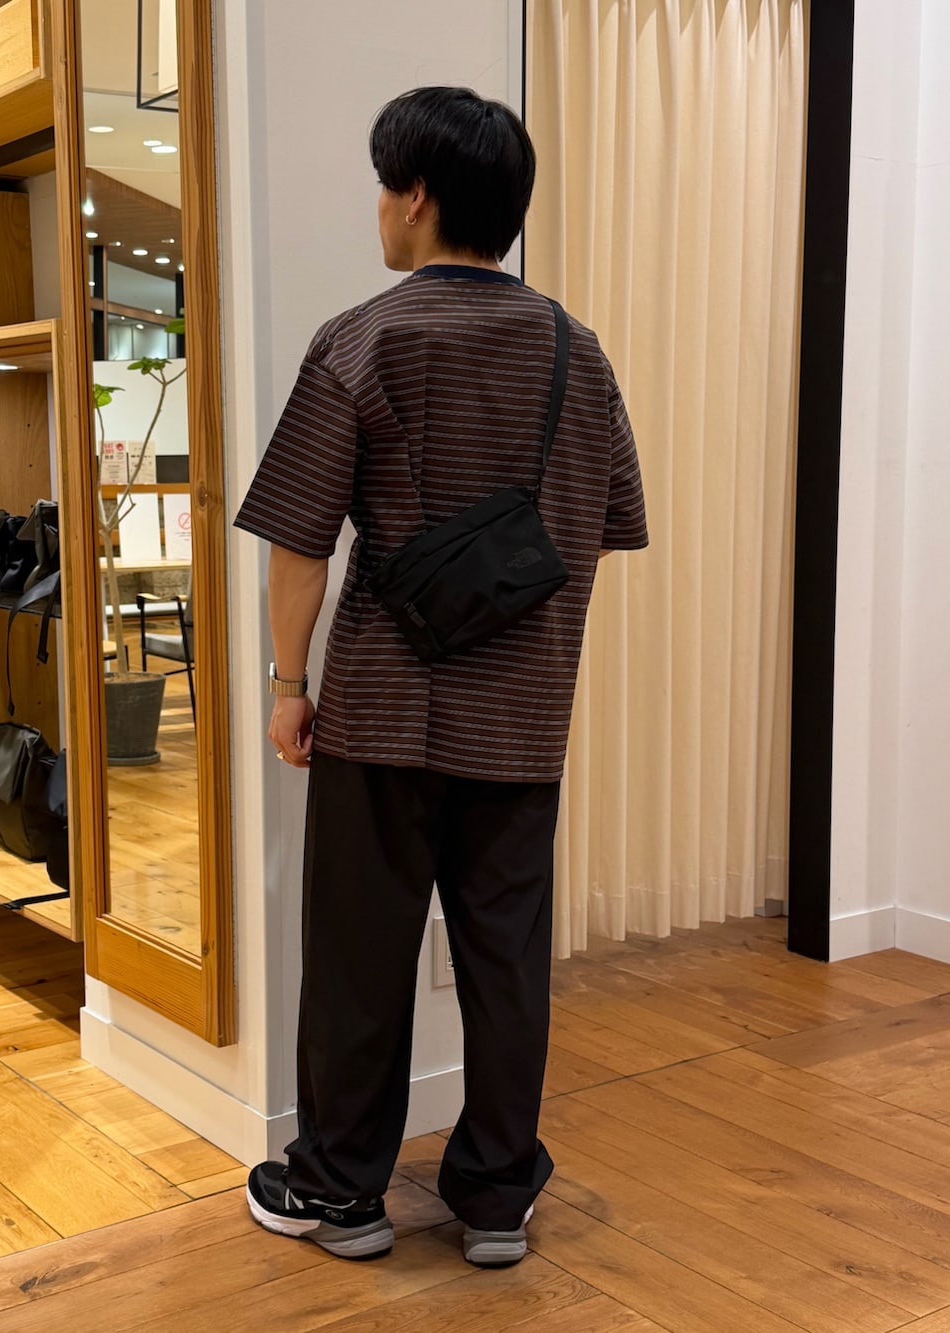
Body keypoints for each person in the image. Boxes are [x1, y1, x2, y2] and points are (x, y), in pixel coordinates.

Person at [234, 85, 647, 1268]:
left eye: (384, 184)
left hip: (381, 711)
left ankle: (340, 1193)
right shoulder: (578, 352)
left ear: (416, 196)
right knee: (504, 963)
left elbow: (300, 541)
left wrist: (287, 684)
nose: (378, 206)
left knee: (357, 961)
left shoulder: (361, 339)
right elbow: (602, 529)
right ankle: (496, 1197)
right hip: (522, 723)